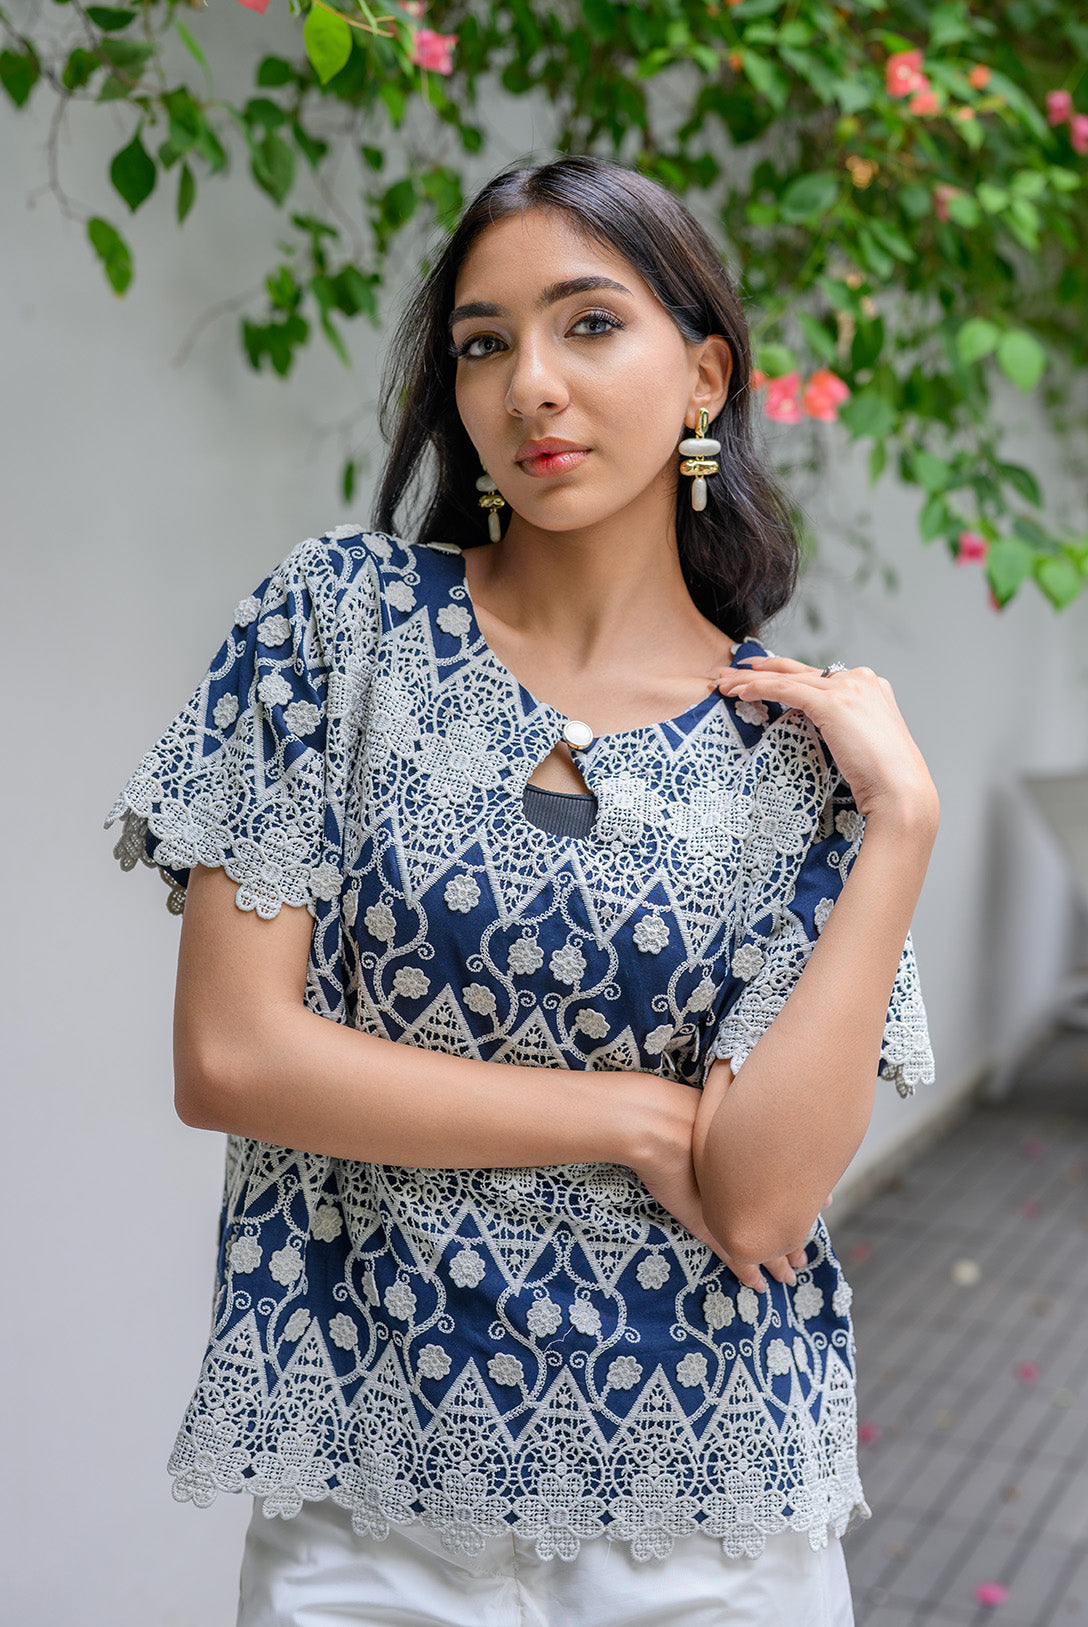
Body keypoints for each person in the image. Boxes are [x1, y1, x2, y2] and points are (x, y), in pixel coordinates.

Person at [105, 154, 938, 1626]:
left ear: (703, 379)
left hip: (714, 1514)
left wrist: (903, 825)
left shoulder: (798, 754)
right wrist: (629, 1116)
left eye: (589, 324)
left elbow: (758, 1203)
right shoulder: (336, 627)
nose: (530, 386)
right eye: (484, 344)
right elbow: (232, 1055)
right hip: (367, 1502)